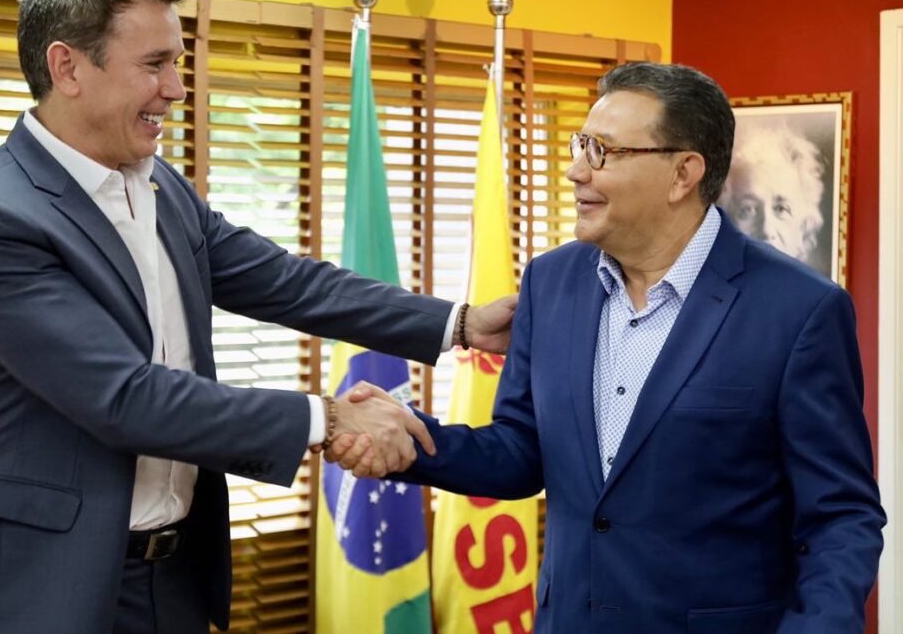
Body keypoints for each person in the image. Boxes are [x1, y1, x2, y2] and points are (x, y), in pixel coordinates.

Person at [0, 0, 515, 634]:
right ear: (68, 68)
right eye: (154, 64)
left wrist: (462, 324)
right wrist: (328, 419)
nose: (177, 88)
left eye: (177, 61)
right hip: (49, 588)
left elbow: (281, 280)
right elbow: (123, 397)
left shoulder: (158, 185)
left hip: (174, 576)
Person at [330, 62, 885, 633]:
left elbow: (842, 518)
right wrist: (413, 441)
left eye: (602, 152)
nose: (574, 171)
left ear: (683, 174)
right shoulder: (551, 281)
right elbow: (523, 450)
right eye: (579, 145)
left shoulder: (798, 310)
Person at [719, 124, 828, 273]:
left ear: (803, 228)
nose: (766, 229)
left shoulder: (826, 296)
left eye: (781, 208)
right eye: (747, 209)